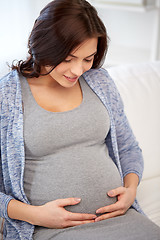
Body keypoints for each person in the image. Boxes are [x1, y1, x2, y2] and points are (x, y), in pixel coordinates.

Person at [0, 0, 160, 239]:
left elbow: (128, 148)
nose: (78, 70)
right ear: (43, 44)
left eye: (88, 59)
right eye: (68, 58)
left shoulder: (100, 82)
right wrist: (34, 215)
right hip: (50, 229)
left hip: (120, 217)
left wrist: (130, 189)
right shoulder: (7, 96)